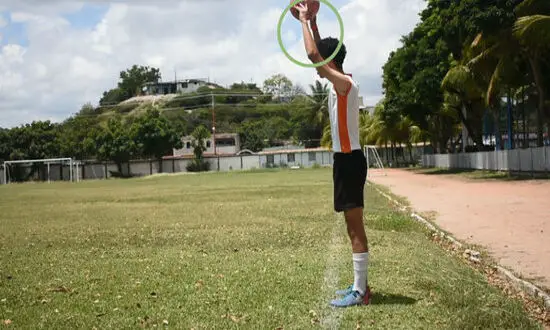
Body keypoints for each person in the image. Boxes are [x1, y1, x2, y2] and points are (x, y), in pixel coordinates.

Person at [294, 2, 370, 308]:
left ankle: (361, 291)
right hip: (344, 161)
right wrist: (313, 23)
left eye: (322, 62)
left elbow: (314, 55)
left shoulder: (344, 84)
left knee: (355, 226)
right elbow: (320, 52)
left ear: (330, 61)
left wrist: (301, 20)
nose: (316, 67)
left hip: (350, 161)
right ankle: (359, 285)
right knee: (351, 225)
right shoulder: (338, 80)